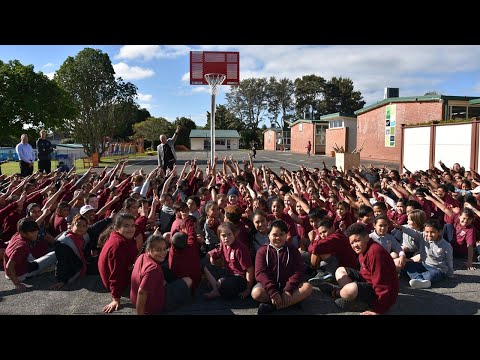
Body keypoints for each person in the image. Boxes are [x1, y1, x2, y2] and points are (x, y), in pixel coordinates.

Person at [319, 223, 399, 315]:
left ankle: (336, 292)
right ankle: (354, 298)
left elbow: (382, 284)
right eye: (352, 243)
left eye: (357, 240)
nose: (355, 245)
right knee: (340, 271)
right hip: (367, 281)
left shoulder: (375, 252)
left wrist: (378, 310)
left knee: (350, 290)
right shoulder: (364, 248)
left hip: (378, 291)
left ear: (366, 237)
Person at [251, 219, 313, 315]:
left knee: (307, 287)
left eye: (281, 234)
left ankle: (274, 307)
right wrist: (273, 292)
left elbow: (298, 271)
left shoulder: (292, 249)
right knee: (256, 293)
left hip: (289, 286)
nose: (278, 238)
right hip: (270, 288)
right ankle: (291, 302)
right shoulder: (262, 251)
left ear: (285, 235)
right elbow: (260, 273)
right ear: (269, 235)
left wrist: (288, 290)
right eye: (274, 235)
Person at [130, 235, 192, 315]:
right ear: (148, 250)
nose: (163, 253)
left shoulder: (141, 256)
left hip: (135, 300)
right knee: (188, 280)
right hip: (153, 306)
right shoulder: (153, 269)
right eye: (158, 250)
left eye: (164, 249)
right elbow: (142, 292)